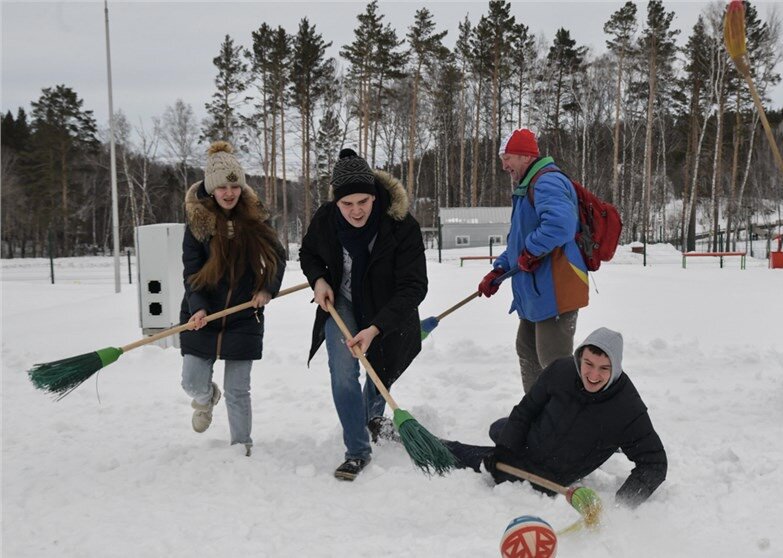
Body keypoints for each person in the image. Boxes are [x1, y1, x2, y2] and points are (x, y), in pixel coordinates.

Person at [299, 148, 428, 481]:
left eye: (363, 202)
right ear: (336, 202)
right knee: (343, 372)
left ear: (375, 196)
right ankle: (357, 450)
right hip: (340, 301)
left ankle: (371, 415)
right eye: (347, 204)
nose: (355, 211)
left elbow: (414, 287)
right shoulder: (326, 219)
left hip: (387, 310)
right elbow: (308, 253)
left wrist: (376, 327)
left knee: (380, 371)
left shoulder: (401, 226)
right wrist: (319, 279)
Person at [444, 327, 667, 508]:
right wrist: (505, 449)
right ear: (580, 356)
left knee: (463, 455)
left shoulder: (627, 409)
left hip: (550, 473)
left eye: (604, 369)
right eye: (588, 364)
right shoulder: (562, 370)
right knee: (500, 429)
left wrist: (622, 505)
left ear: (616, 369)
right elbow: (526, 409)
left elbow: (655, 463)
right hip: (534, 442)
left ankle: (440, 446)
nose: (593, 375)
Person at [179, 141, 286, 457]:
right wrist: (197, 307)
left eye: (234, 185)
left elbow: (278, 259)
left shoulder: (255, 220)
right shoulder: (198, 225)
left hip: (243, 316)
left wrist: (267, 289)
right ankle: (206, 397)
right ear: (212, 189)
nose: (229, 192)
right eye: (222, 186)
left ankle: (242, 445)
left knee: (239, 390)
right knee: (190, 381)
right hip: (203, 315)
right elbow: (192, 273)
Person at [478, 128, 588, 394]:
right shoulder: (528, 186)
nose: (504, 165)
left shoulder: (547, 182)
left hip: (555, 290)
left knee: (553, 363)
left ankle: (562, 424)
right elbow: (519, 244)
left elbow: (560, 226)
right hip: (535, 292)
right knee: (527, 351)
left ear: (525, 157)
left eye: (508, 158)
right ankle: (536, 418)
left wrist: (531, 252)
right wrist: (499, 271)